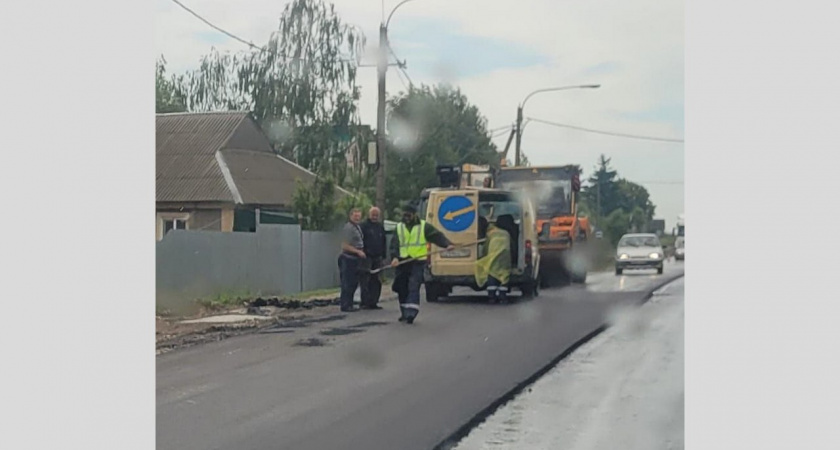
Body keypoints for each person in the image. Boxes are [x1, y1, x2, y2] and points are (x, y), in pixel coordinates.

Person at [390, 203, 454, 324]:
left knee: (413, 285)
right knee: (401, 287)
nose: (406, 218)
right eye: (404, 216)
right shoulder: (399, 227)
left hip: (417, 262)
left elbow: (436, 236)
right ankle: (404, 311)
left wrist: (447, 244)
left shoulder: (424, 226)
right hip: (403, 261)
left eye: (408, 215)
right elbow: (394, 245)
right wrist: (394, 258)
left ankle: (411, 313)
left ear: (414, 215)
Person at [475, 217, 512, 304]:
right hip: (505, 256)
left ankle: (492, 297)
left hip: (493, 255)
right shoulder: (506, 233)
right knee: (504, 274)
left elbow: (486, 247)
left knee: (492, 272)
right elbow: (512, 245)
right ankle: (503, 297)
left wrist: (483, 256)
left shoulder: (490, 234)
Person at [338, 208, 365, 312]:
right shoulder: (348, 228)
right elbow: (344, 245)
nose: (357, 218)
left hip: (355, 259)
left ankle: (349, 303)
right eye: (355, 216)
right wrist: (358, 252)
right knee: (347, 282)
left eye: (359, 216)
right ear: (350, 216)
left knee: (353, 282)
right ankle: (345, 305)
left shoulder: (357, 227)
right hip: (348, 258)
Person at [359, 206, 386, 310]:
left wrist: (383, 256)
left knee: (376, 281)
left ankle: (373, 302)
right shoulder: (363, 226)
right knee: (365, 280)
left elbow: (383, 241)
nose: (374, 217)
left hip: (377, 257)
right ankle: (365, 302)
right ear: (369, 215)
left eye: (376, 215)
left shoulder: (380, 227)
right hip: (366, 257)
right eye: (373, 215)